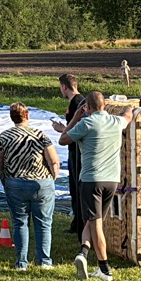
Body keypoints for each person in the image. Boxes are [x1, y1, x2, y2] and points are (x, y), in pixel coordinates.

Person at [60, 91, 141, 281]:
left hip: (91, 179)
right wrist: (129, 107)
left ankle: (104, 268)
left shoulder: (86, 123)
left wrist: (75, 118)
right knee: (92, 221)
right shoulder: (116, 122)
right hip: (112, 180)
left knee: (95, 222)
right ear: (105, 104)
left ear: (87, 108)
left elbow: (63, 139)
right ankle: (83, 253)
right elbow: (127, 116)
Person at [0, 102, 60, 270]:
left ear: (11, 117)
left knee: (20, 223)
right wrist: (53, 178)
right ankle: (44, 261)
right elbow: (54, 161)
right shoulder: (40, 135)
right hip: (41, 182)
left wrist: (4, 178)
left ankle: (22, 262)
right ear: (27, 115)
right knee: (44, 223)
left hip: (15, 183)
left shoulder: (5, 137)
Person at [57, 74, 87, 235]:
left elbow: (77, 128)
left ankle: (79, 225)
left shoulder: (77, 102)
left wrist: (62, 129)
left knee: (77, 188)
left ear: (64, 87)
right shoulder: (79, 101)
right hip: (74, 150)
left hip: (76, 151)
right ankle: (77, 222)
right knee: (74, 188)